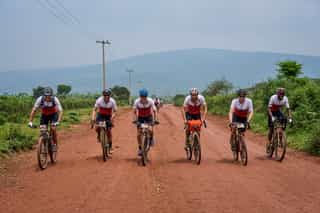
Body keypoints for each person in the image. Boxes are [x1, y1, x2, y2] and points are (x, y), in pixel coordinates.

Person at [28, 87, 63, 151]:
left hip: (53, 115)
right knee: (43, 131)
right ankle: (44, 145)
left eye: (49, 96)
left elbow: (60, 111)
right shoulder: (40, 99)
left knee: (53, 128)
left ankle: (54, 144)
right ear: (44, 95)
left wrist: (58, 121)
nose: (47, 97)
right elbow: (34, 110)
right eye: (46, 96)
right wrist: (30, 122)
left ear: (51, 95)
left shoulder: (55, 99)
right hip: (44, 115)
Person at [133, 88, 159, 156]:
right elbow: (135, 111)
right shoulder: (137, 101)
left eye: (144, 97)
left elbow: (155, 111)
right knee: (138, 134)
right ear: (140, 96)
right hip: (140, 118)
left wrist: (155, 119)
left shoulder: (150, 101)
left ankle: (151, 139)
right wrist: (135, 119)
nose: (143, 98)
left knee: (150, 130)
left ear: (146, 96)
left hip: (148, 117)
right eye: (142, 97)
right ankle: (140, 148)